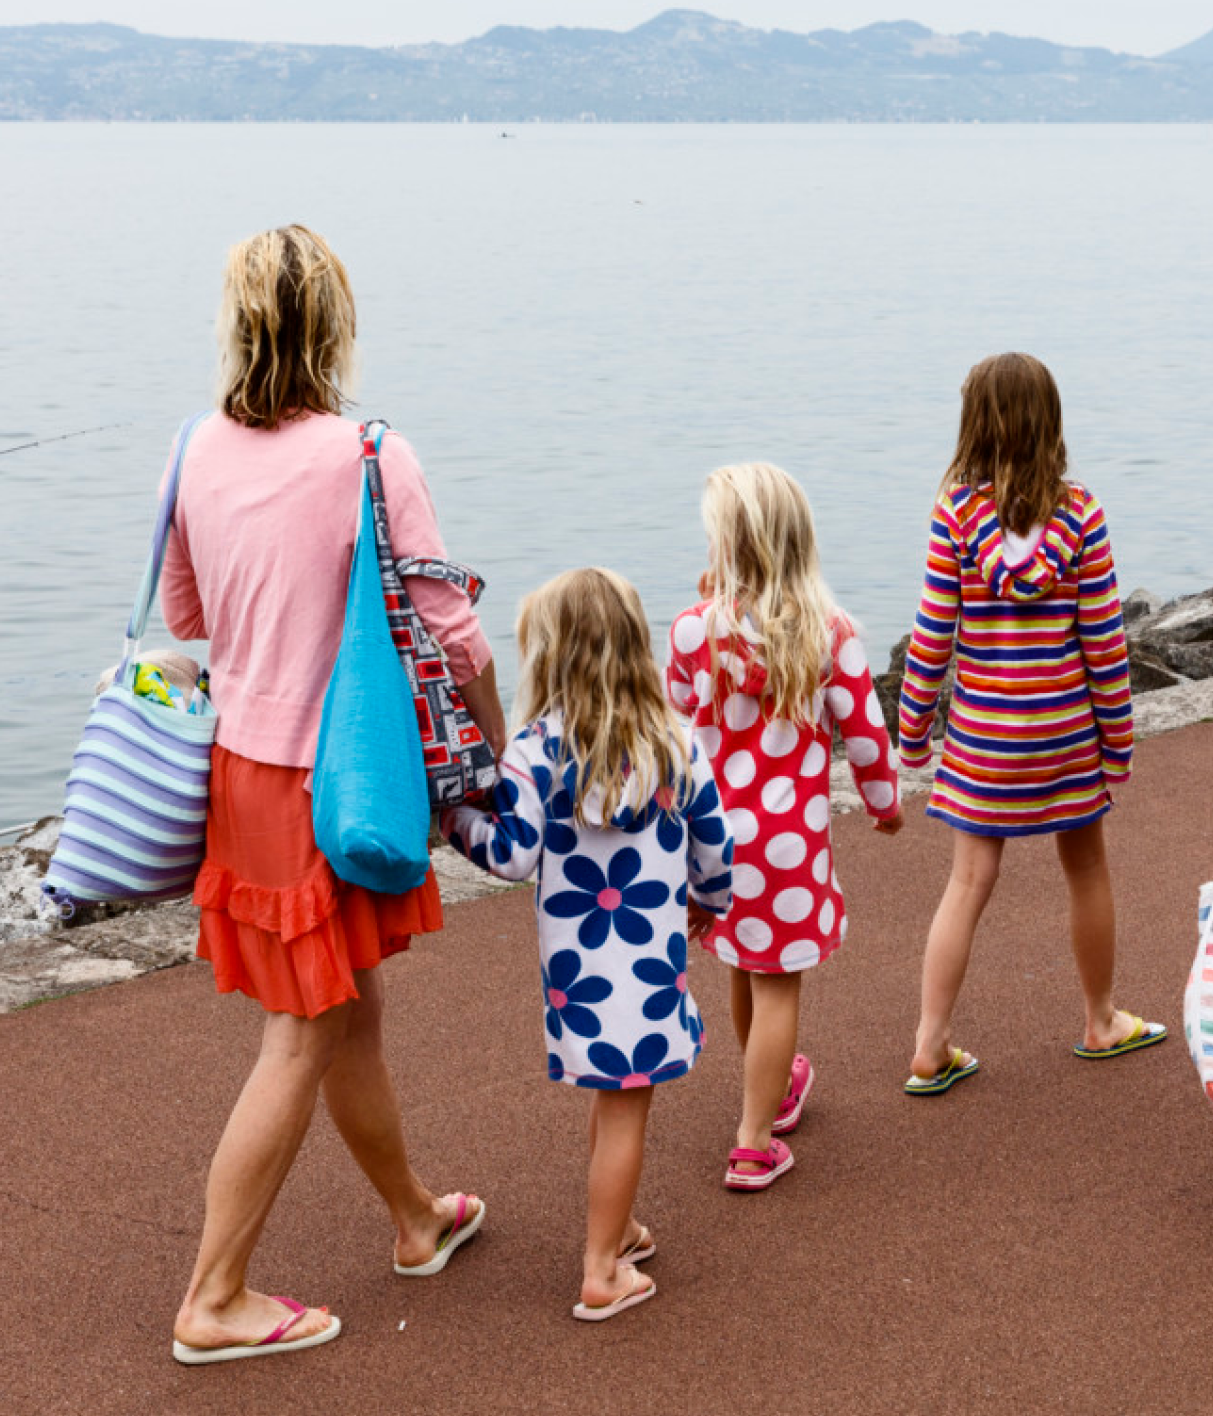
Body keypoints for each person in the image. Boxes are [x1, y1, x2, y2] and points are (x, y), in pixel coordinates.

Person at [164, 226, 509, 1362]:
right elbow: (453, 634)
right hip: (343, 773)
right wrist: (495, 758)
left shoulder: (193, 451)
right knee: (301, 1035)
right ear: (333, 325)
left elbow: (188, 621)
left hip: (245, 773)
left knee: (349, 1009)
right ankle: (214, 1297)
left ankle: (415, 1220)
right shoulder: (372, 455)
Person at [446, 568, 732, 1319]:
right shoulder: (675, 740)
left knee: (612, 1104)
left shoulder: (538, 751)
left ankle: (620, 1231)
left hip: (579, 970)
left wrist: (454, 824)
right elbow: (716, 841)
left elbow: (510, 856)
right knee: (626, 1111)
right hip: (652, 959)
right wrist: (711, 901)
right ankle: (601, 1270)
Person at [897, 352, 1163, 1097]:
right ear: (1051, 421)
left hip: (984, 740)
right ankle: (1101, 1018)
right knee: (1086, 869)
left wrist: (914, 732)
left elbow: (931, 637)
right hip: (1066, 735)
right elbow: (1105, 643)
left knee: (967, 881)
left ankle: (930, 1043)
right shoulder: (1082, 514)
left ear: (974, 424)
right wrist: (1118, 743)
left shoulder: (956, 515)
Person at [666, 462, 903, 1192]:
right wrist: (885, 803)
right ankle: (752, 1140)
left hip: (712, 842)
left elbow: (674, 726)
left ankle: (767, 1090)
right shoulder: (830, 636)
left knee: (743, 965)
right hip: (788, 847)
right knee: (776, 987)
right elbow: (866, 734)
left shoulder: (689, 632)